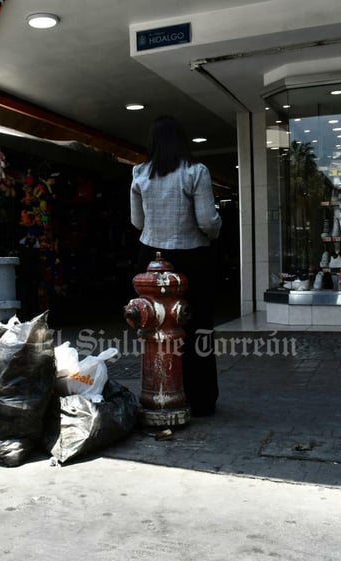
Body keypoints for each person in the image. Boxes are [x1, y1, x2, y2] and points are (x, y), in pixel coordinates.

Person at [130, 115, 223, 417]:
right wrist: (216, 231)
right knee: (198, 327)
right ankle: (202, 400)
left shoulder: (139, 173)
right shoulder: (196, 172)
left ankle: (161, 392)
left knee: (154, 325)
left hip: (151, 259)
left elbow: (136, 221)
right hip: (191, 257)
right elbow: (208, 220)